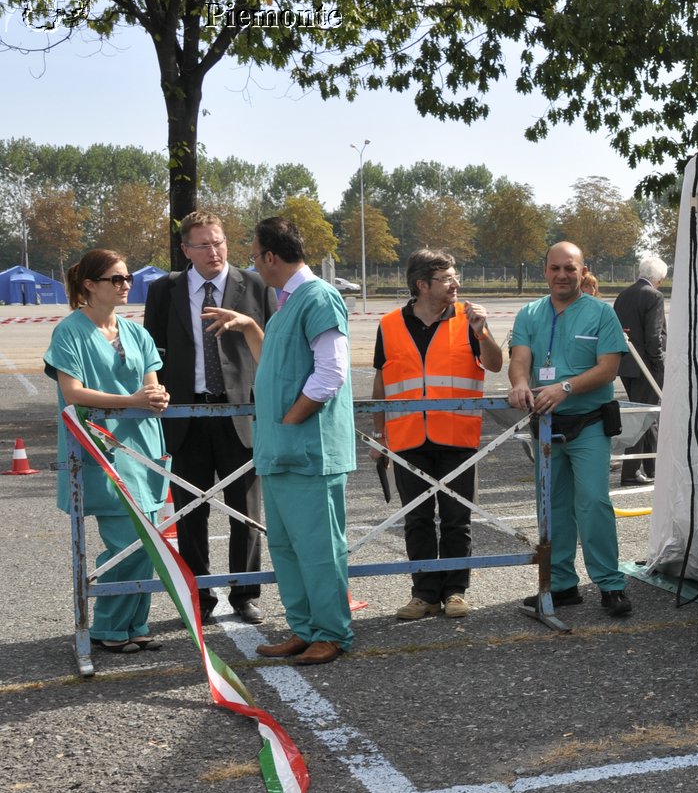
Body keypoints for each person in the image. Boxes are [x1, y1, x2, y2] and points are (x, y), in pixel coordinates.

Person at [203, 217, 357, 666]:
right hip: (282, 453)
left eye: (254, 254)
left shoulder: (318, 297)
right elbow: (280, 361)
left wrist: (290, 420)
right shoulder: (287, 302)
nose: (252, 262)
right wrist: (251, 326)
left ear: (271, 257)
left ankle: (331, 633)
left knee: (320, 548)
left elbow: (331, 372)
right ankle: (305, 628)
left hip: (309, 452)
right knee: (288, 547)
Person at [143, 211, 276, 624]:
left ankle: (245, 593)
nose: (214, 251)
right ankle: (199, 593)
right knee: (189, 511)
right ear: (186, 250)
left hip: (241, 413)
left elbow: (270, 347)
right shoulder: (166, 289)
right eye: (203, 244)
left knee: (246, 509)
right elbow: (155, 350)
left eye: (218, 242)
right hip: (187, 414)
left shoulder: (254, 284)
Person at [45, 249, 170, 652]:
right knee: (125, 541)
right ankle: (108, 627)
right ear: (89, 285)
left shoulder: (138, 332)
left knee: (149, 540)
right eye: (116, 279)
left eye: (128, 278)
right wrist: (133, 401)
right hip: (102, 449)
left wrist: (157, 395)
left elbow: (150, 385)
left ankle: (135, 623)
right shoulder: (69, 331)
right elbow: (72, 392)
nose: (126, 285)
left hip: (144, 446)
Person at [371, 249, 503, 621]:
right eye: (446, 278)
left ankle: (456, 591)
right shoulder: (389, 324)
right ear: (421, 285)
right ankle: (424, 593)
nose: (455, 284)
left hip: (457, 436)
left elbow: (494, 364)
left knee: (456, 518)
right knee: (416, 519)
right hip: (407, 438)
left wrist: (483, 333)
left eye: (454, 276)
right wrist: (379, 433)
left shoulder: (469, 319)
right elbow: (382, 381)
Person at [508, 241, 633, 617]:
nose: (562, 275)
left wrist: (565, 388)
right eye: (555, 268)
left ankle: (610, 584)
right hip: (545, 427)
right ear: (544, 271)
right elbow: (520, 360)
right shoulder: (529, 314)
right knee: (552, 507)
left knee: (593, 502)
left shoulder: (600, 314)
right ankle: (561, 586)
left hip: (588, 425)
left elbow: (608, 369)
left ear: (583, 270)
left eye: (570, 268)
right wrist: (518, 383)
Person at [612, 255, 667, 486]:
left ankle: (653, 466)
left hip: (626, 364)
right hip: (646, 364)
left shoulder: (623, 295)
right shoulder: (654, 296)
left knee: (649, 414)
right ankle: (631, 470)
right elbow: (654, 335)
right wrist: (660, 361)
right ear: (659, 278)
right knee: (644, 416)